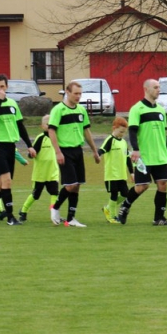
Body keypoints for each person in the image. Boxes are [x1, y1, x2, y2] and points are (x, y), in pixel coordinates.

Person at [0, 74, 37, 226]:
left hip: (10, 146)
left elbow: (20, 125)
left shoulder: (12, 104)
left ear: (7, 87)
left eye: (2, 86)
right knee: (7, 181)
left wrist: (29, 145)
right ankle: (11, 217)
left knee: (1, 184)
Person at [117, 79, 167, 226]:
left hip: (160, 156)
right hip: (145, 156)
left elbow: (163, 134)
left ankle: (159, 218)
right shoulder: (137, 109)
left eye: (159, 87)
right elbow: (133, 131)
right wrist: (135, 150)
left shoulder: (161, 110)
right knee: (142, 186)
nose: (158, 90)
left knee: (163, 184)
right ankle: (125, 207)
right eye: (155, 87)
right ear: (146, 89)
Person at [48, 81, 101, 227]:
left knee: (77, 185)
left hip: (78, 150)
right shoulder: (58, 110)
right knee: (70, 185)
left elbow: (86, 131)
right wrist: (58, 152)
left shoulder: (81, 110)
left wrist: (95, 151)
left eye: (80, 94)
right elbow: (51, 131)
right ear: (67, 92)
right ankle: (56, 207)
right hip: (65, 151)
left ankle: (71, 218)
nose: (78, 96)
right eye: (75, 93)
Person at [18, 114, 60, 222]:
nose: (50, 126)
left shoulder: (57, 137)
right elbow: (33, 151)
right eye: (47, 124)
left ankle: (54, 214)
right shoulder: (40, 138)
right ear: (42, 126)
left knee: (55, 193)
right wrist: (31, 154)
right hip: (40, 173)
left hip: (52, 172)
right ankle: (23, 210)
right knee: (36, 195)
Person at [98, 116, 132, 224]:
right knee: (113, 194)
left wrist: (131, 172)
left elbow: (127, 158)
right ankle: (112, 216)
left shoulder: (124, 143)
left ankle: (108, 208)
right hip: (111, 174)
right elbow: (101, 149)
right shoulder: (110, 140)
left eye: (124, 132)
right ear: (114, 128)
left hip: (122, 174)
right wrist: (97, 155)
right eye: (120, 131)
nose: (122, 134)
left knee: (125, 194)